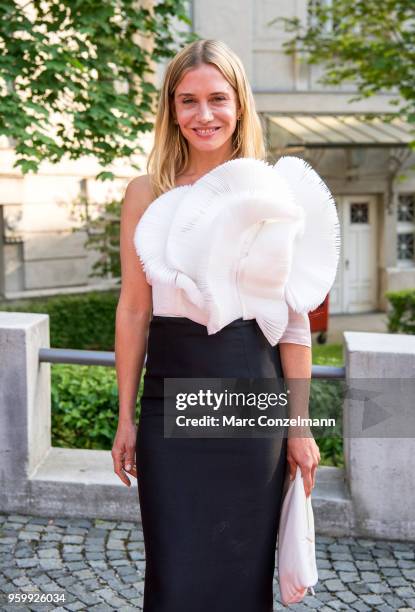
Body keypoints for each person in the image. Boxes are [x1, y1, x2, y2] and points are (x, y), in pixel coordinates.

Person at [112, 38, 330, 612]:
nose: (203, 115)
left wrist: (300, 428)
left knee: (240, 576)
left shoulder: (270, 192)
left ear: (239, 105)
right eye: (188, 101)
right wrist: (124, 418)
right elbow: (134, 310)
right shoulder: (145, 193)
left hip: (252, 401)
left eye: (217, 99)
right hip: (167, 403)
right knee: (174, 576)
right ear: (170, 109)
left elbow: (293, 324)